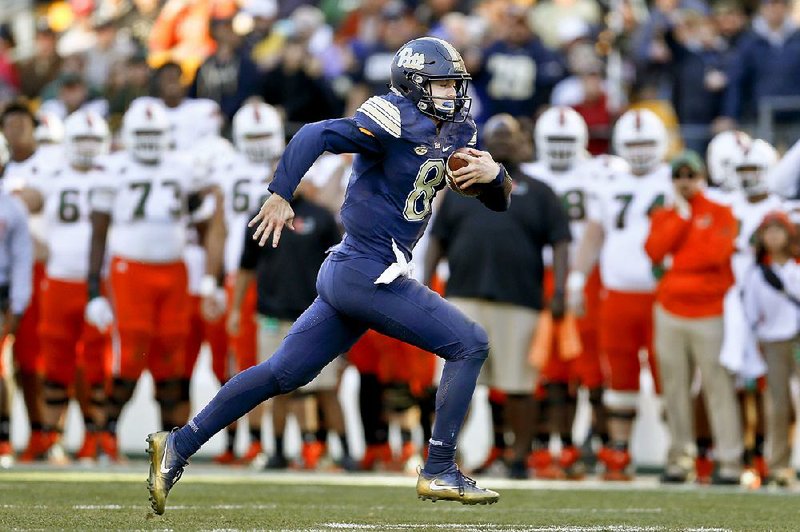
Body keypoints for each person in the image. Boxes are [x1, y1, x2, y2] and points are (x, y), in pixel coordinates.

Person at [146, 37, 509, 514]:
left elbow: (496, 200)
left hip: (354, 271)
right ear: (413, 84)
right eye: (441, 84)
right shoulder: (393, 116)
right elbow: (313, 135)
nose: (453, 94)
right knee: (470, 343)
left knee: (283, 372)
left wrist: (496, 177)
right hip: (366, 269)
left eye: (454, 85)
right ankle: (439, 467)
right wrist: (281, 192)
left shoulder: (457, 129)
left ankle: (178, 445)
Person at [427, 112, 571, 479]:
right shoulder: (459, 188)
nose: (504, 142)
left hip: (519, 298)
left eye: (510, 136)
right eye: (497, 136)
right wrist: (425, 283)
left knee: (519, 386)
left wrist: (559, 293)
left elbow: (561, 243)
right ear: (484, 142)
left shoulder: (540, 191)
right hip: (463, 297)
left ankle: (519, 458)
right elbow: (437, 240)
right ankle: (445, 457)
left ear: (523, 142)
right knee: (456, 385)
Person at [568, 108, 672, 480]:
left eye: (647, 143)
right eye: (633, 143)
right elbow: (594, 235)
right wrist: (578, 278)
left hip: (664, 297)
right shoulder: (609, 182)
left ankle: (681, 451)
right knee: (620, 373)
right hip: (618, 294)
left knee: (670, 373)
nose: (641, 151)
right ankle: (618, 452)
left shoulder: (675, 181)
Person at [644, 150, 742, 484]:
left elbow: (714, 254)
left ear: (702, 178)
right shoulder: (667, 214)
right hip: (670, 311)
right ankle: (679, 458)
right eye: (679, 176)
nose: (685, 182)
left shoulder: (720, 212)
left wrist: (679, 257)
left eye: (691, 175)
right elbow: (654, 250)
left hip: (710, 312)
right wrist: (682, 220)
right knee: (674, 388)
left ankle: (729, 460)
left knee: (718, 386)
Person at [742, 211, 800, 487]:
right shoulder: (757, 274)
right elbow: (751, 315)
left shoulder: (796, 268)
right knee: (777, 404)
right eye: (769, 231)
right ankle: (778, 464)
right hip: (773, 342)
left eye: (779, 230)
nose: (774, 236)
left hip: (798, 339)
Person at [0, 133, 34, 468]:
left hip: (1, 291)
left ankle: (4, 437)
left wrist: (18, 303)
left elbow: (22, 258)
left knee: (1, 367)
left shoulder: (11, 206)